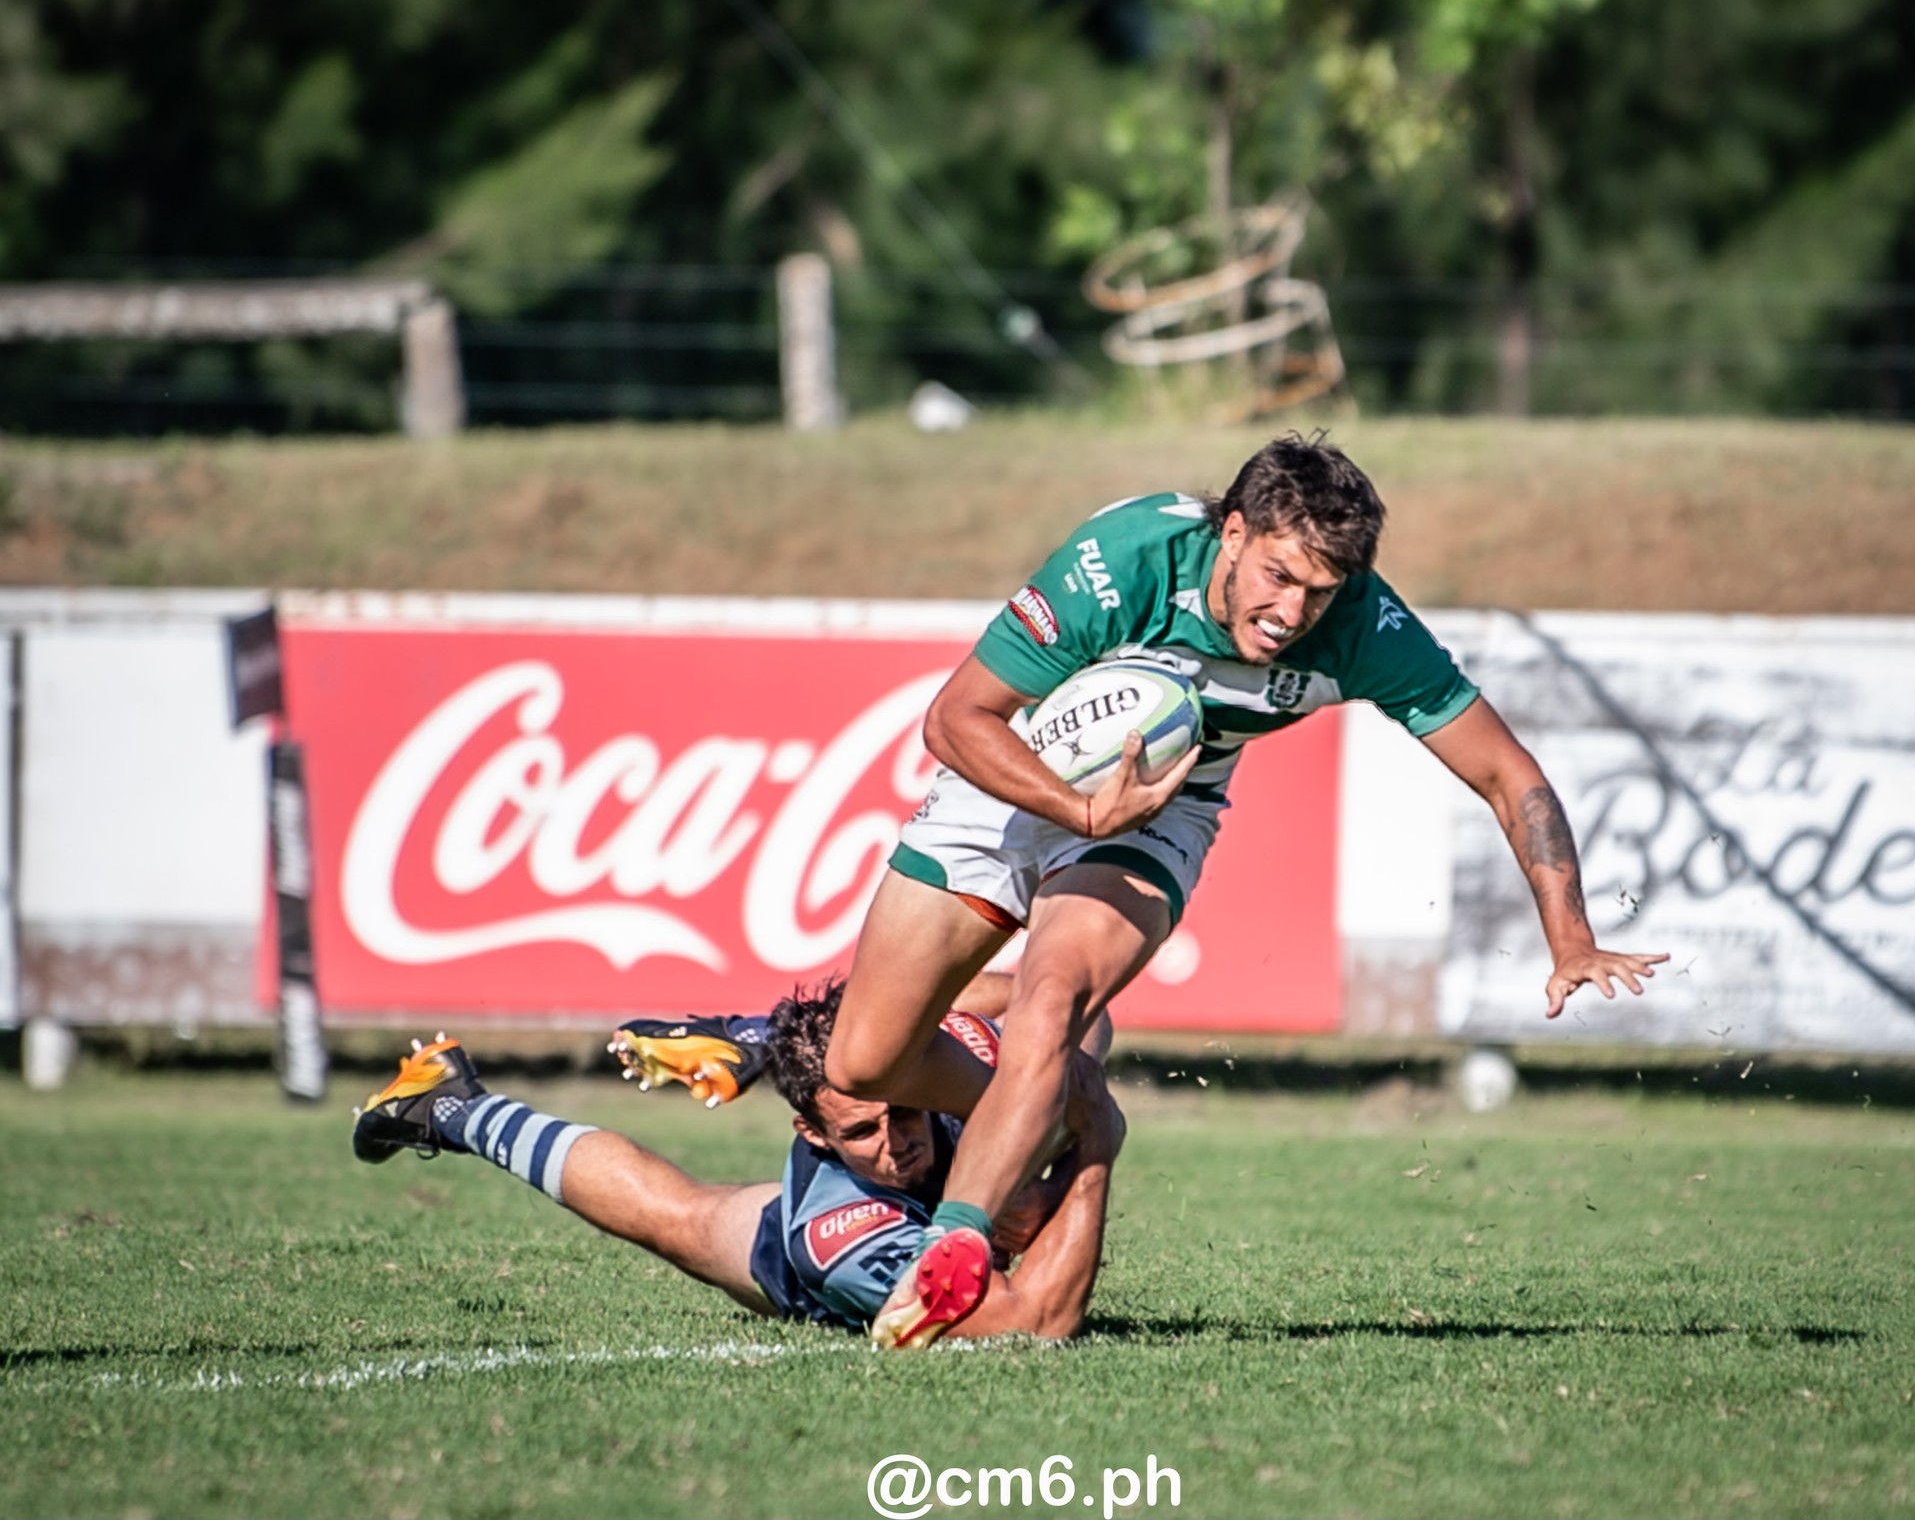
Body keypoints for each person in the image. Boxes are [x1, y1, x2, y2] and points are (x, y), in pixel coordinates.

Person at [825, 433, 1668, 1349]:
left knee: (1050, 997)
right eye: (1277, 575)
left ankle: (953, 1248)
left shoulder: (1365, 626)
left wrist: (1570, 935)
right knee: (862, 1067)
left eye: (1319, 591)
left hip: (1164, 804)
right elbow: (955, 719)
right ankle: (1064, 1104)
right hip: (1016, 774)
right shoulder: (1126, 562)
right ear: (1232, 532)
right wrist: (1075, 807)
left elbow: (1509, 774)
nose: (1291, 612)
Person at [349, 981, 1123, 1344]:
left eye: (908, 1107)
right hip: (835, 1244)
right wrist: (1091, 1148)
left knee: (1041, 1081)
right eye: (863, 1130)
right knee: (671, 1214)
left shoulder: (936, 1069)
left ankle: (758, 1034)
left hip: (902, 1162)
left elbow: (1068, 1004)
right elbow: (1037, 1319)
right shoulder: (834, 1236)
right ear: (812, 1133)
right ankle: (447, 1107)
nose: (900, 1139)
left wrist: (1050, 1092)